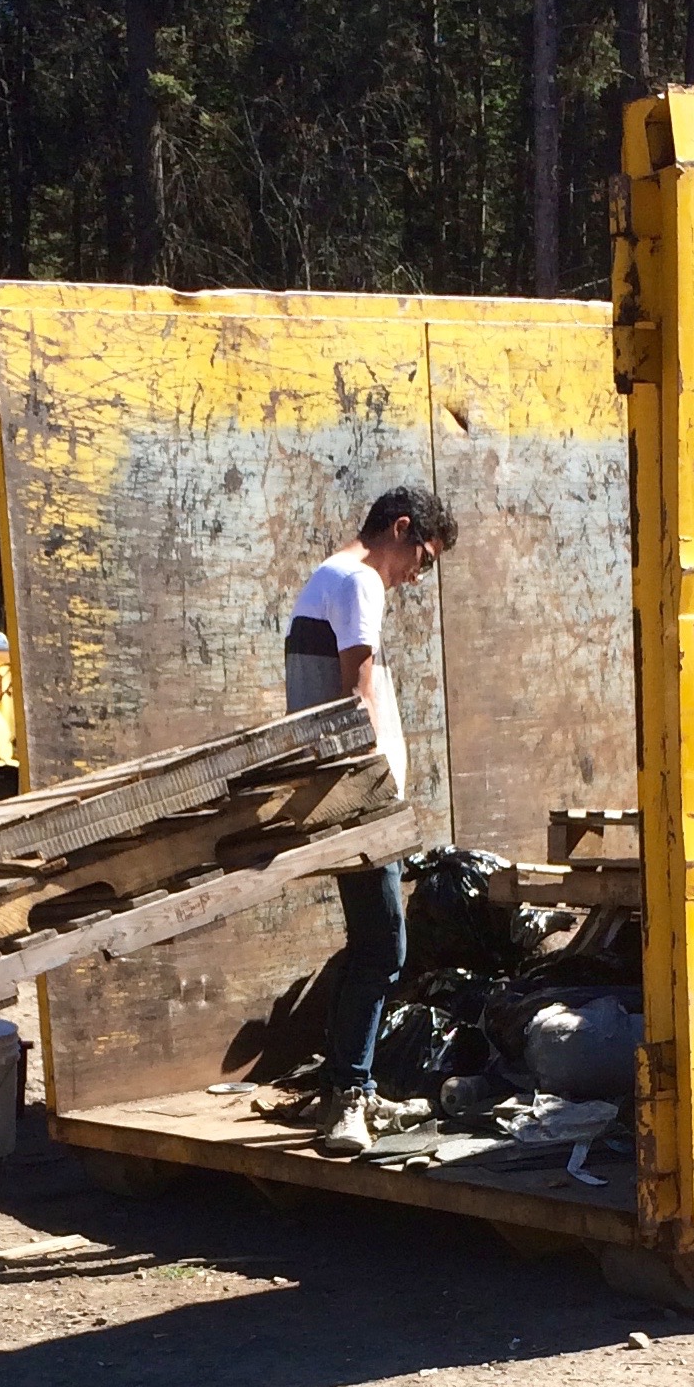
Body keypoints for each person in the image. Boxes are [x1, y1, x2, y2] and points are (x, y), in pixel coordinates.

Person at [284, 484, 459, 1156]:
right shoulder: (360, 582)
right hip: (358, 798)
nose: (418, 574)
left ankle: (345, 1083)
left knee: (368, 943)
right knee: (385, 945)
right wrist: (375, 792)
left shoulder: (327, 576)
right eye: (425, 557)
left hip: (347, 793)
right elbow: (358, 691)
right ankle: (347, 1099)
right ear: (402, 528)